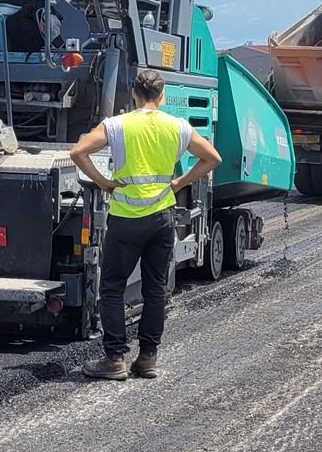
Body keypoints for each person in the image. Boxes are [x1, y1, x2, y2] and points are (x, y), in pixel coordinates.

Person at [67, 70, 222, 380]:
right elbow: (212, 158)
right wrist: (179, 182)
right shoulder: (177, 127)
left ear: (133, 94)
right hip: (162, 219)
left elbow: (78, 152)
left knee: (112, 288)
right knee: (155, 290)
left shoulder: (118, 125)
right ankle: (147, 359)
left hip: (126, 219)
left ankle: (115, 360)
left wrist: (104, 182)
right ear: (162, 96)